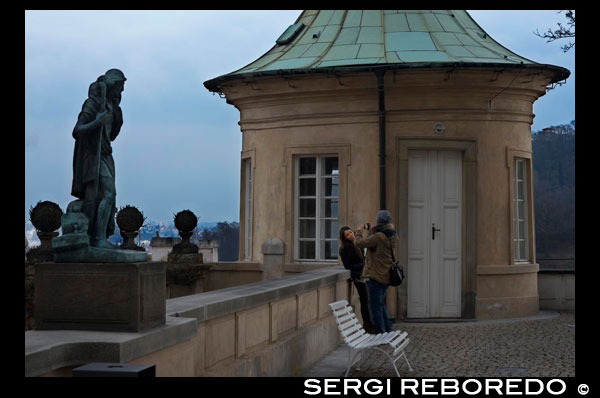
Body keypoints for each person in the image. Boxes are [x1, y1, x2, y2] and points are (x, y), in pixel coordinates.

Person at [71, 69, 126, 248]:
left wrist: (116, 118)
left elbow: (112, 135)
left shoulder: (113, 108)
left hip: (106, 155)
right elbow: (77, 130)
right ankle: (98, 238)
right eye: (121, 87)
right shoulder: (93, 103)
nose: (122, 91)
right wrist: (97, 122)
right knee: (107, 194)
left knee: (110, 196)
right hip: (93, 157)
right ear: (113, 86)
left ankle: (100, 235)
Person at [355, 210, 397, 334]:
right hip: (386, 275)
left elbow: (359, 243)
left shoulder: (378, 237)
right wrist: (371, 231)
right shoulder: (392, 235)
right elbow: (377, 245)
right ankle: (388, 330)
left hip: (375, 276)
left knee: (375, 307)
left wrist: (359, 231)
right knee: (380, 305)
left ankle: (381, 333)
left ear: (379, 221)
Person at [339, 226, 375, 334]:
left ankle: (369, 324)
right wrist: (363, 265)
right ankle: (368, 325)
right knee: (365, 302)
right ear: (344, 238)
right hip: (358, 278)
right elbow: (348, 266)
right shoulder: (344, 249)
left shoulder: (357, 244)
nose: (351, 235)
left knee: (368, 301)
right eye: (347, 234)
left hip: (365, 275)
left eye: (350, 232)